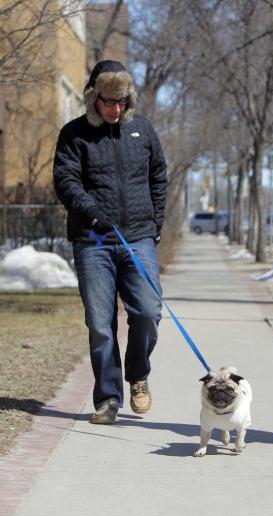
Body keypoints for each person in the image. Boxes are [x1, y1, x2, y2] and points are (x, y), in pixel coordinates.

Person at [53, 60, 168, 425]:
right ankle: (107, 399)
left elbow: (158, 177)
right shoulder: (74, 134)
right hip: (93, 240)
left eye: (121, 101)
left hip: (138, 238)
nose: (115, 109)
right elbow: (66, 181)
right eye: (108, 101)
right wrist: (91, 212)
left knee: (149, 312)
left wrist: (155, 224)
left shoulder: (143, 131)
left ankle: (138, 376)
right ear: (93, 98)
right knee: (101, 324)